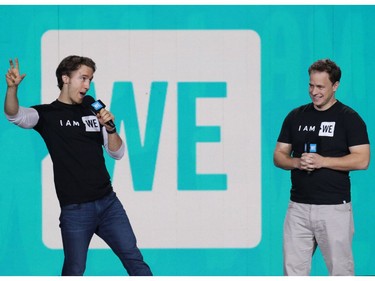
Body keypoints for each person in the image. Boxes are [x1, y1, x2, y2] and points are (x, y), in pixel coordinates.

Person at [4, 56, 152, 276]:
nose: (87, 85)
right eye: (82, 78)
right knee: (74, 270)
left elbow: (117, 153)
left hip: (109, 205)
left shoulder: (92, 108)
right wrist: (12, 90)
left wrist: (110, 128)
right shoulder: (48, 114)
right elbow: (14, 115)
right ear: (65, 78)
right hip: (76, 211)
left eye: (90, 79)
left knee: (135, 261)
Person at [273, 59, 370, 276]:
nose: (314, 92)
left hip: (334, 208)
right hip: (297, 207)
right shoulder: (296, 116)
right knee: (292, 272)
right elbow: (279, 155)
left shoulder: (349, 119)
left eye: (320, 87)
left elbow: (362, 160)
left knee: (340, 272)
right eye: (311, 85)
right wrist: (296, 162)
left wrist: (322, 161)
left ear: (335, 86)